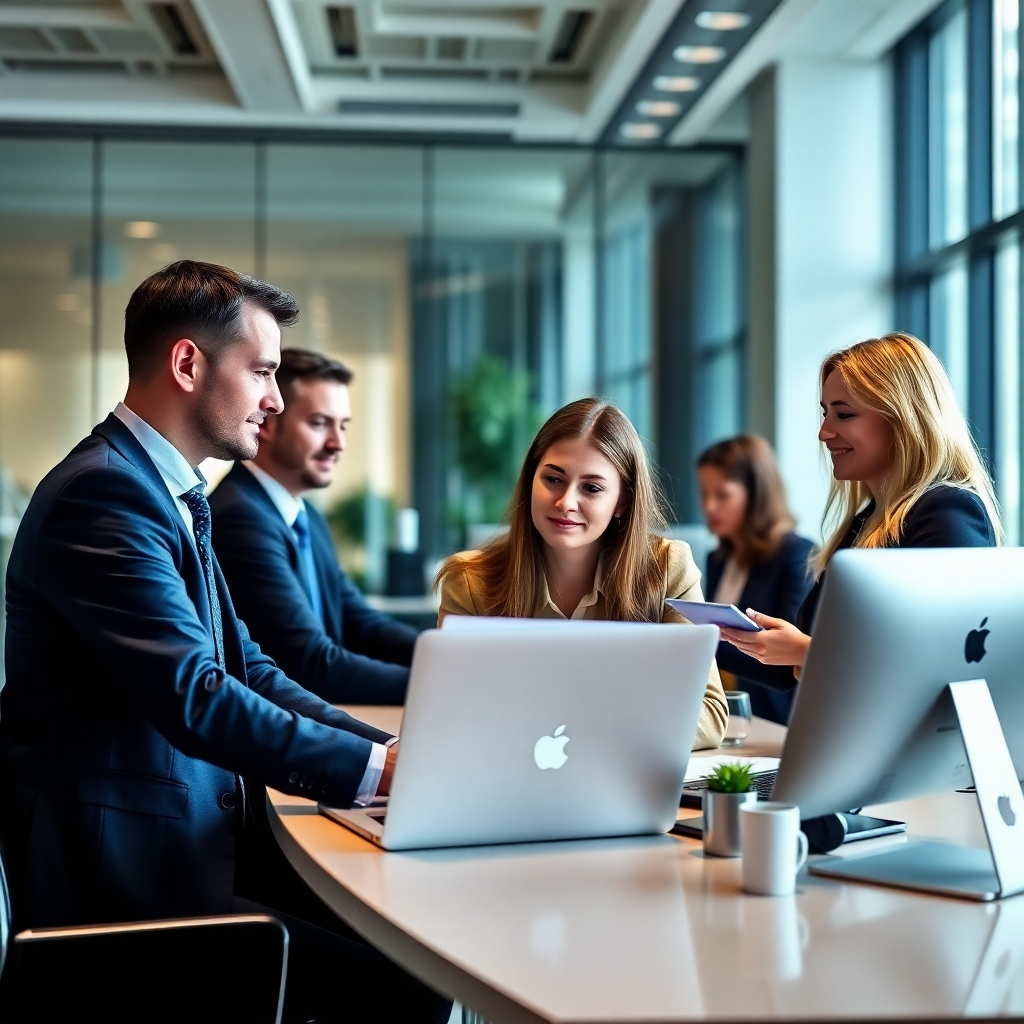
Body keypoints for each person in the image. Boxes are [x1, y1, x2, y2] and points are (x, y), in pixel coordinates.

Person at [0, 261, 449, 1024]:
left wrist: (384, 754)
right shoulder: (104, 495)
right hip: (122, 882)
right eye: (263, 372)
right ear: (188, 364)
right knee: (408, 979)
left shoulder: (166, 492)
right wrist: (377, 772)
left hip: (183, 845)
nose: (275, 400)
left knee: (410, 951)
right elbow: (195, 694)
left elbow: (252, 668)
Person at [436, 397, 729, 750]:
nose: (565, 503)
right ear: (530, 481)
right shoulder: (469, 582)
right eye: (553, 479)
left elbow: (709, 711)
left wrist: (582, 739)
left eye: (591, 488)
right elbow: (451, 712)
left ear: (622, 502)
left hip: (620, 774)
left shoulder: (667, 568)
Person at [719, 332, 1000, 688]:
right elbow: (786, 663)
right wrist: (694, 632)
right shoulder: (867, 521)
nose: (824, 432)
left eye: (844, 414)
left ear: (903, 418)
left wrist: (805, 650)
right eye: (826, 413)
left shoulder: (948, 511)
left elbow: (946, 655)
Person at [209, 348, 416, 706]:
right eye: (320, 424)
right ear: (267, 422)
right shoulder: (240, 517)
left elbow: (359, 622)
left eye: (343, 425)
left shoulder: (307, 516)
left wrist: (442, 651)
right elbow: (312, 665)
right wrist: (440, 680)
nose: (338, 443)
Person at [697, 435, 815, 724]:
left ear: (757, 494)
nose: (709, 506)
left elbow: (785, 666)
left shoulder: (798, 555)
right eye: (704, 494)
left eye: (722, 495)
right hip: (729, 714)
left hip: (776, 720)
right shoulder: (717, 559)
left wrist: (697, 640)